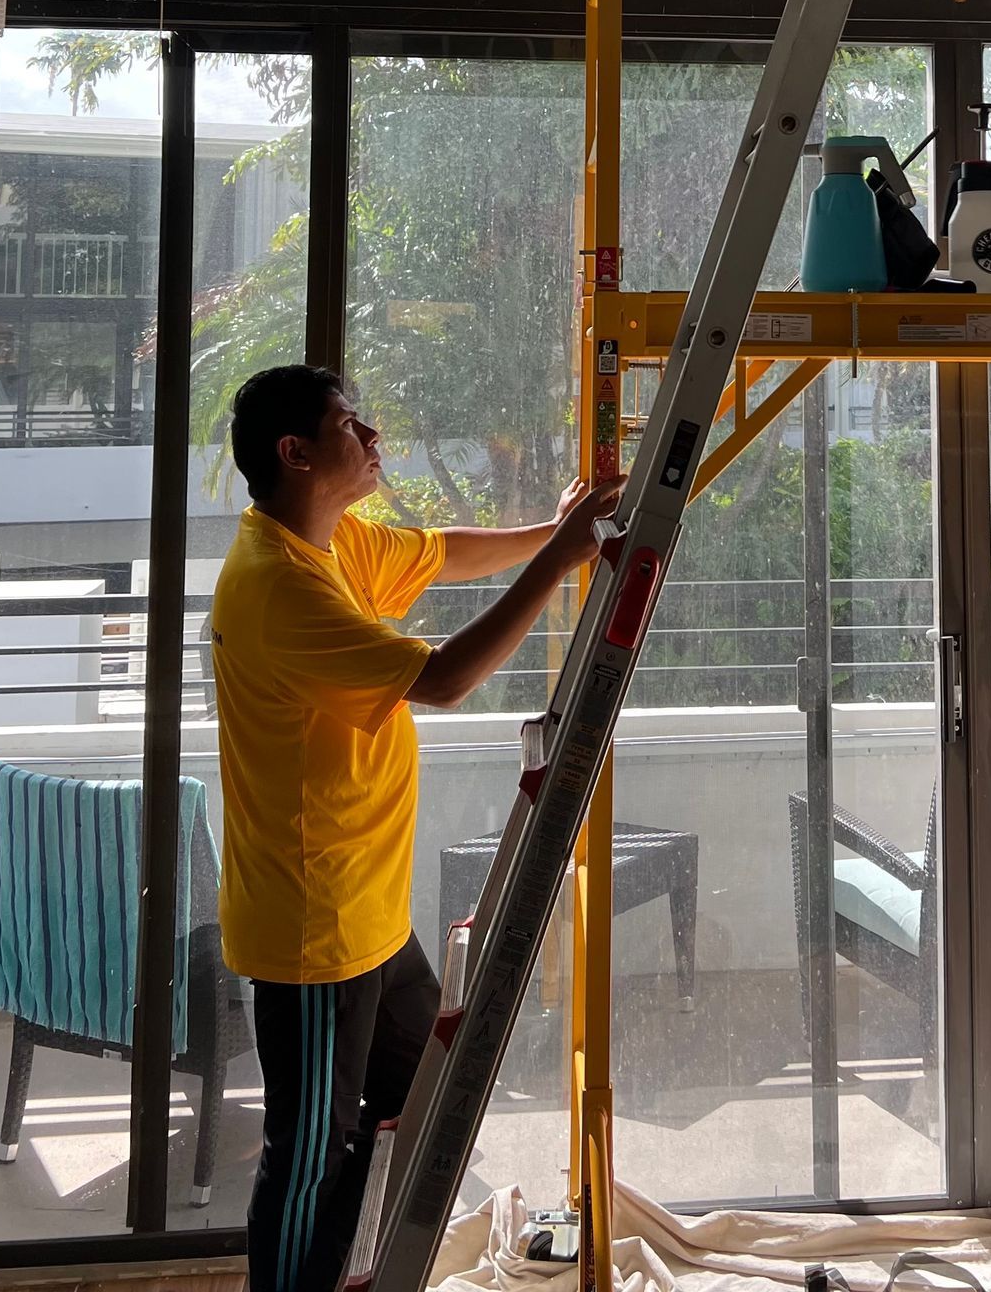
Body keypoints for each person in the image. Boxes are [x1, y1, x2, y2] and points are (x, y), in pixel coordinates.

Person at [209, 364, 620, 1292]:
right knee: (307, 1155)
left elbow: (440, 554)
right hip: (314, 936)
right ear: (296, 453)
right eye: (354, 425)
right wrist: (558, 562)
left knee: (418, 1102)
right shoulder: (276, 586)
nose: (375, 439)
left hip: (370, 919)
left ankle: (360, 1272)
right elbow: (439, 678)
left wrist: (550, 536)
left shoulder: (329, 542)